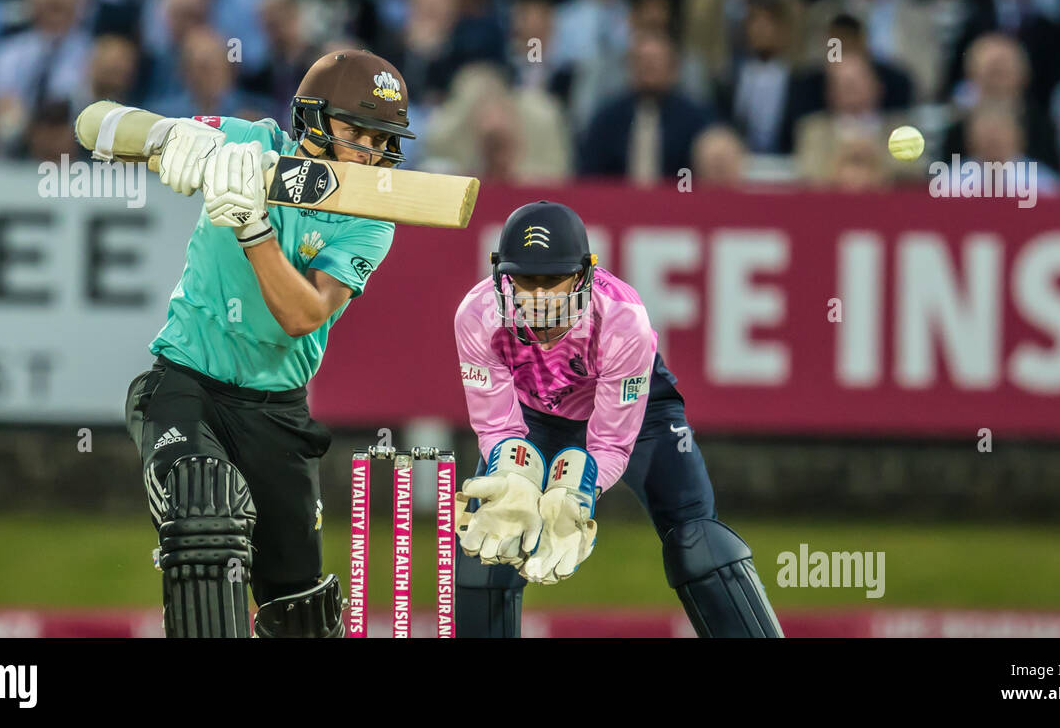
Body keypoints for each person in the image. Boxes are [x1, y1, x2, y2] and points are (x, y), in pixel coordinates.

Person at [120, 49, 415, 638]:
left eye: (381, 139)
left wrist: (253, 227)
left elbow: (303, 315)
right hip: (186, 385)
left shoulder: (372, 216)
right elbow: (96, 121)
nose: (369, 152)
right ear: (311, 119)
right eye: (354, 131)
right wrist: (173, 139)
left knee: (301, 617)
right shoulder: (249, 143)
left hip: (277, 413)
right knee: (202, 510)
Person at [451, 200, 783, 638]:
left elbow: (609, 444)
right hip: (536, 414)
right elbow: (498, 428)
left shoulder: (623, 319)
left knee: (700, 544)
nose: (539, 299)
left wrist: (577, 493)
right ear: (503, 276)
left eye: (553, 281)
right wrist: (515, 474)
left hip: (641, 415)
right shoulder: (476, 316)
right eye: (526, 281)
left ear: (584, 274)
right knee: (487, 546)